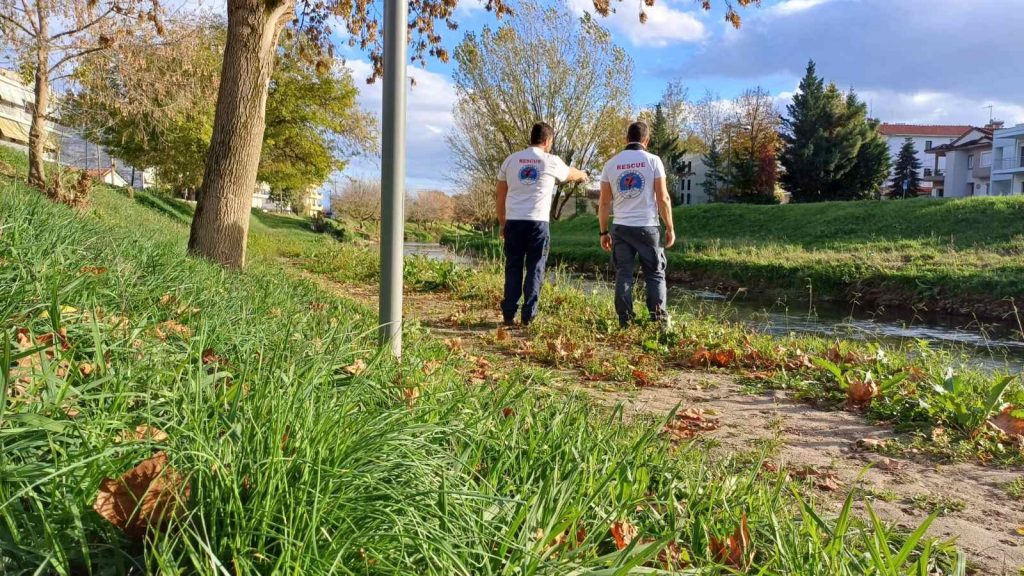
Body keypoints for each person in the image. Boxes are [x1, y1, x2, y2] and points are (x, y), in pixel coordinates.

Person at [496, 122, 588, 326]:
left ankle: (509, 313)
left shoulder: (510, 160)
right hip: (537, 223)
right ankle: (528, 316)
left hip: (514, 221)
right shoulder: (551, 161)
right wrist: (582, 174)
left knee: (513, 267)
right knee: (535, 267)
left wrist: (502, 222)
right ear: (548, 140)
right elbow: (570, 174)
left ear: (532, 138)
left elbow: (500, 195)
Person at [597, 121, 676, 328]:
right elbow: (663, 198)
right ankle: (659, 322)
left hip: (621, 227)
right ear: (646, 141)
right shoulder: (653, 161)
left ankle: (625, 321)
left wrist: (603, 232)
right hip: (648, 227)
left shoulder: (610, 164)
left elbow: (604, 203)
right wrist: (670, 227)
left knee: (623, 273)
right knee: (655, 274)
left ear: (626, 139)